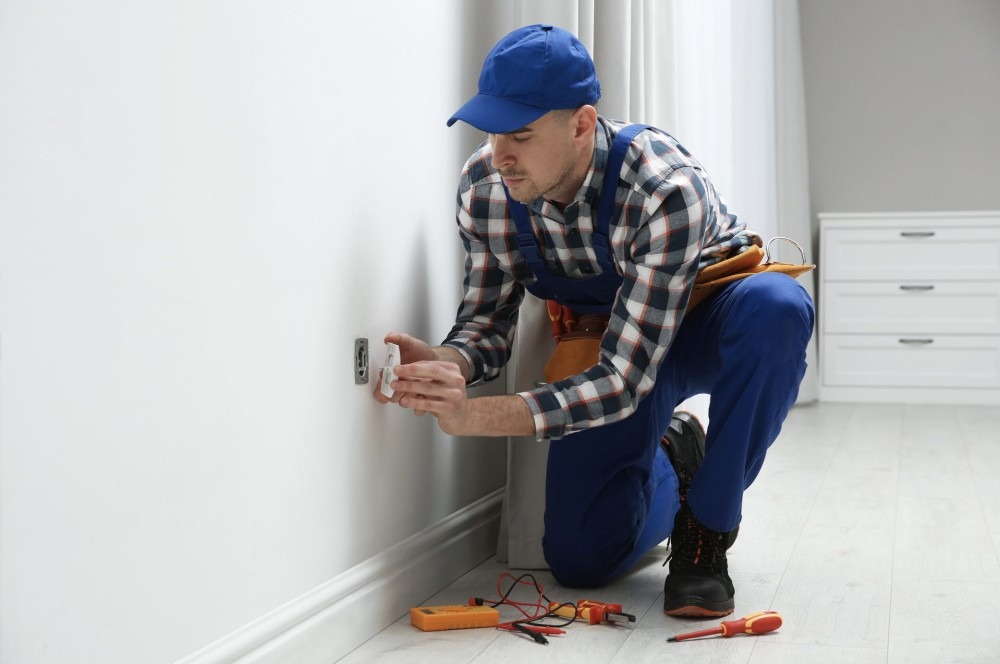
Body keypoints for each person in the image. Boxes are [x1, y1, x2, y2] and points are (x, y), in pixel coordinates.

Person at [374, 24, 814, 618]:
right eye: (493, 132)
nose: (501, 155)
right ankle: (676, 454)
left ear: (581, 123)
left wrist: (473, 416)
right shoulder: (487, 188)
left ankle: (706, 528)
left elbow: (625, 381)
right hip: (612, 343)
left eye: (522, 136)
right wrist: (449, 362)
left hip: (704, 324)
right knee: (583, 559)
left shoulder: (662, 188)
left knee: (778, 310)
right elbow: (487, 323)